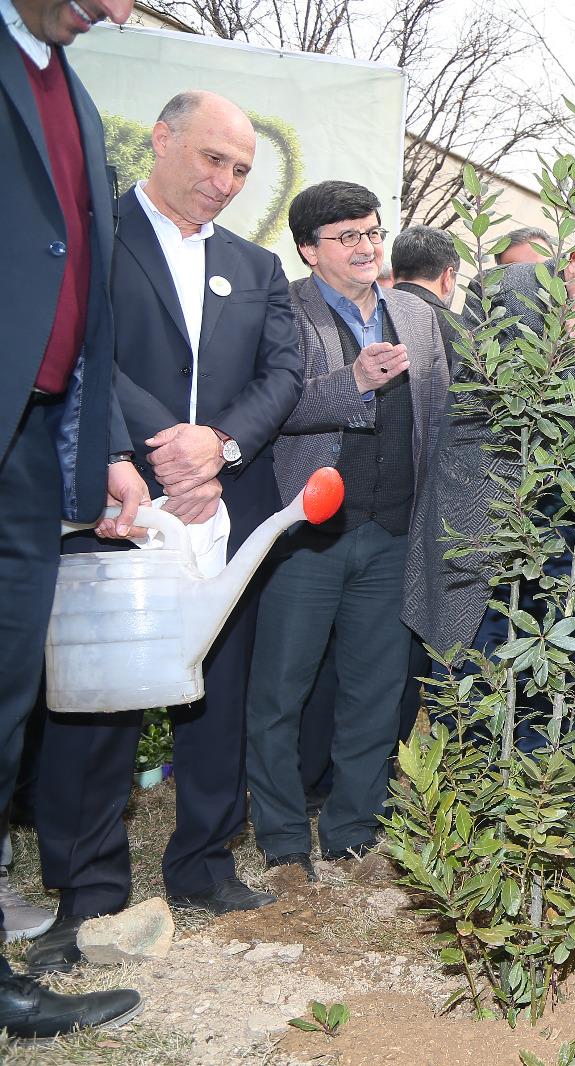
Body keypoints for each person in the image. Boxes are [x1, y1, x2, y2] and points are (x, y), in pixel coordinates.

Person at [30, 90, 305, 975]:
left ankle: (203, 863)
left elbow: (285, 369)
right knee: (97, 696)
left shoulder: (256, 266)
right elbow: (80, 352)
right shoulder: (94, 235)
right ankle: (88, 887)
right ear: (161, 140)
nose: (224, 183)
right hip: (116, 497)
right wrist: (167, 451)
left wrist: (219, 446)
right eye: (211, 160)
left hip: (227, 503)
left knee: (217, 687)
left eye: (240, 170)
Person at [1, 0, 147, 1038]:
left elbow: (80, 296)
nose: (123, 9)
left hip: (34, 444)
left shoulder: (77, 93)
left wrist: (102, 450)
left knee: (5, 706)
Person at [244, 180, 449, 879]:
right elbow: (272, 411)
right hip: (307, 535)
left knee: (376, 692)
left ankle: (353, 830)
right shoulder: (285, 313)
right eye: (347, 236)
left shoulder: (414, 317)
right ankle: (280, 838)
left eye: (371, 232)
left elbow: (444, 415)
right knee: (280, 692)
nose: (366, 247)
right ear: (308, 249)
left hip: (393, 534)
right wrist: (353, 382)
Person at [404, 213, 575, 677]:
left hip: (563, 540)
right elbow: (478, 398)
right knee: (470, 682)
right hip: (483, 524)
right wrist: (562, 353)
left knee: (545, 689)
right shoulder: (505, 291)